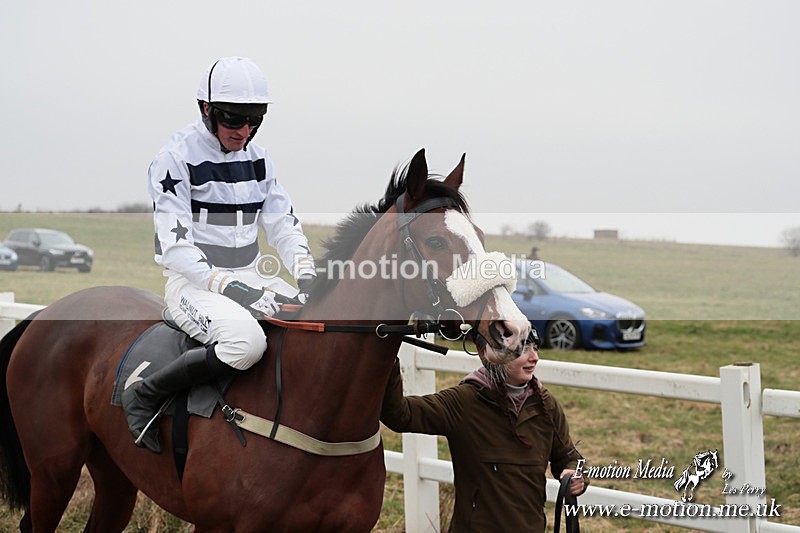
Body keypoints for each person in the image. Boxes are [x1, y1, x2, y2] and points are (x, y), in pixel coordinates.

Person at [124, 56, 316, 453]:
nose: (243, 131)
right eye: (232, 120)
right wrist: (234, 290)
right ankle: (145, 393)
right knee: (246, 343)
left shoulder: (259, 158)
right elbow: (176, 250)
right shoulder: (174, 159)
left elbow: (282, 224)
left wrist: (307, 273)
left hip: (250, 277)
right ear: (206, 109)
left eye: (254, 120)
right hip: (193, 285)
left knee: (316, 324)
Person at [380, 336, 587, 531]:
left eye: (535, 347)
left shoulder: (546, 405)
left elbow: (568, 457)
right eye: (523, 349)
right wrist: (386, 357)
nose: (534, 357)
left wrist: (577, 475)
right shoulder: (463, 402)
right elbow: (400, 415)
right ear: (490, 353)